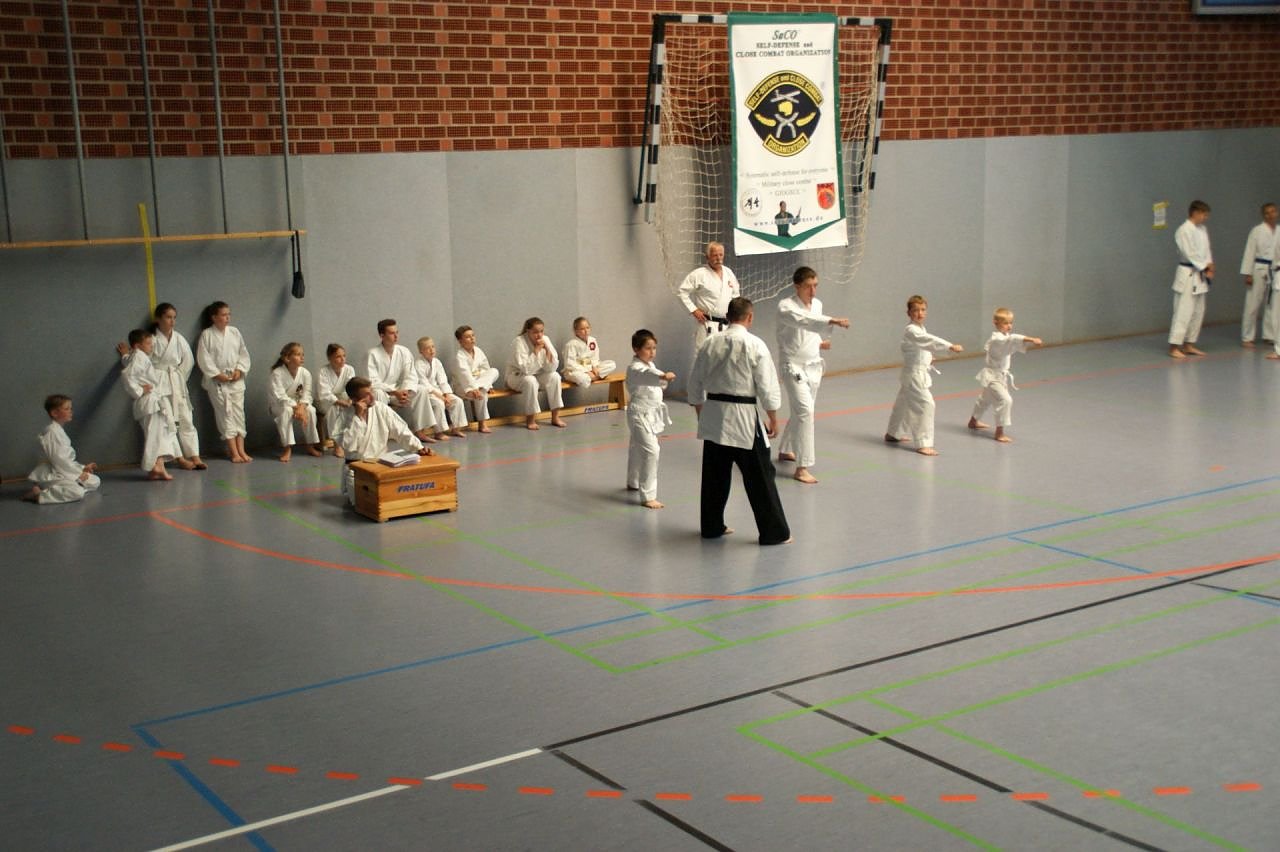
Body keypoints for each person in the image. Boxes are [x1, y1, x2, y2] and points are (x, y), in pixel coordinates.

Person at [687, 296, 791, 545]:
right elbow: (767, 385)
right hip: (743, 417)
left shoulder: (710, 342)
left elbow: (694, 382)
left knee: (714, 475)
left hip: (714, 415)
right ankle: (774, 533)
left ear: (728, 316)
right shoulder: (755, 344)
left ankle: (711, 526)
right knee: (761, 476)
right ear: (750, 317)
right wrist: (773, 416)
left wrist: (701, 413)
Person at [775, 266, 849, 484]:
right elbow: (802, 320)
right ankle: (802, 467)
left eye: (816, 286)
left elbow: (811, 330)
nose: (813, 291)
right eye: (808, 286)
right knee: (806, 411)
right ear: (797, 286)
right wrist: (831, 321)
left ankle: (786, 448)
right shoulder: (785, 307)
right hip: (793, 366)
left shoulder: (817, 305)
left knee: (801, 410)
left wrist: (819, 343)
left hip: (813, 365)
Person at [115, 302, 205, 470]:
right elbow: (139, 361)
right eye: (168, 317)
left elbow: (189, 361)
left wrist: (179, 378)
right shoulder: (150, 339)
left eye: (174, 318)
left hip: (176, 381)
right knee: (168, 422)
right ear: (158, 319)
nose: (172, 321)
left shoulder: (178, 338)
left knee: (186, 418)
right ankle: (179, 458)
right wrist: (126, 356)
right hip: (158, 383)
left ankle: (195, 455)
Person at [884, 295, 964, 456]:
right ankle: (923, 443)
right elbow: (928, 341)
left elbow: (921, 348)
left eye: (923, 310)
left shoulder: (920, 328)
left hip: (913, 373)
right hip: (914, 375)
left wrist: (928, 358)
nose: (920, 313)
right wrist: (949, 346)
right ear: (909, 313)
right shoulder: (911, 330)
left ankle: (893, 433)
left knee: (903, 405)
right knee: (926, 404)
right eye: (915, 310)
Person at [337, 377, 434, 504]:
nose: (372, 397)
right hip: (357, 470)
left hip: (382, 467)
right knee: (367, 504)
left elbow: (401, 431)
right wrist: (358, 417)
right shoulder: (345, 416)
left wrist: (419, 448)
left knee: (399, 498)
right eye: (366, 395)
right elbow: (349, 445)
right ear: (355, 400)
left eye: (371, 391)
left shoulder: (381, 408)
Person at [967, 308, 1042, 443]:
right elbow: (1012, 340)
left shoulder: (1005, 338)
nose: (1009, 326)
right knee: (1006, 400)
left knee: (985, 399)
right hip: (992, 376)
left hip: (1000, 376)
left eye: (1011, 323)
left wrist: (1028, 342)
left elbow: (1012, 343)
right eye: (1005, 323)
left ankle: (973, 421)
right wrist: (1030, 339)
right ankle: (999, 433)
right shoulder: (997, 339)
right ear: (996, 323)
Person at [120, 328, 185, 480]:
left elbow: (130, 364)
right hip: (149, 401)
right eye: (148, 343)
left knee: (160, 434)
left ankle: (158, 466)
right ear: (137, 346)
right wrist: (140, 390)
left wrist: (124, 355)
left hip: (153, 402)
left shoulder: (138, 356)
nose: (152, 346)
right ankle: (153, 466)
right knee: (154, 436)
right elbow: (127, 375)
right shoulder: (139, 357)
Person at [196, 300, 252, 463]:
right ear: (214, 317)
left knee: (239, 414)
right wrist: (216, 374)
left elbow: (243, 353)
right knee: (225, 415)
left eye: (229, 314)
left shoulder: (234, 332)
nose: (228, 318)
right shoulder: (206, 335)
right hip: (218, 382)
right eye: (223, 315)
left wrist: (239, 370)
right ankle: (233, 452)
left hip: (235, 380)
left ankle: (242, 450)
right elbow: (203, 358)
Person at [625, 329, 675, 509]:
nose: (652, 352)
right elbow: (647, 377)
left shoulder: (650, 366)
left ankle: (633, 481)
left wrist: (662, 377)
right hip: (639, 414)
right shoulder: (634, 368)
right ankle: (648, 496)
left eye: (654, 348)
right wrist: (662, 376)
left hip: (650, 414)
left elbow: (658, 380)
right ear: (636, 349)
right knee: (651, 451)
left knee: (636, 448)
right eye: (648, 348)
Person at [366, 318, 438, 442]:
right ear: (381, 335)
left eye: (397, 332)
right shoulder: (372, 354)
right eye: (391, 333)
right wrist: (394, 392)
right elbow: (372, 381)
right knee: (377, 393)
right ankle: (382, 434)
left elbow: (410, 375)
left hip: (400, 392)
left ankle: (420, 431)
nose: (396, 336)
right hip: (384, 392)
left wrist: (405, 391)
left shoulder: (403, 351)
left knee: (421, 390)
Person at [24, 395, 101, 504]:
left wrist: (83, 468)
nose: (71, 411)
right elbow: (60, 461)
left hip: (61, 470)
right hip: (51, 474)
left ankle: (66, 486)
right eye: (67, 409)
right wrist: (78, 475)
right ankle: (39, 495)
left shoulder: (58, 430)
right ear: (55, 413)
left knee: (95, 481)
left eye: (71, 408)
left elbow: (66, 460)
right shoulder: (52, 432)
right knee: (77, 492)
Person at [677, 241, 741, 363]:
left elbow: (736, 296)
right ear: (707, 257)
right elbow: (682, 292)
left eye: (721, 255)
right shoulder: (699, 274)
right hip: (707, 324)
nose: (718, 258)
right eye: (715, 255)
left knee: (726, 360)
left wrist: (736, 317)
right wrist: (694, 310)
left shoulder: (729, 273)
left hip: (726, 324)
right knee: (704, 360)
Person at [1168, 200, 1213, 359]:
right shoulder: (1183, 230)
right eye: (1204, 214)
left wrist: (1210, 264)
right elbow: (1189, 253)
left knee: (1198, 311)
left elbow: (1206, 250)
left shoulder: (1203, 229)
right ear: (1195, 212)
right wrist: (1205, 267)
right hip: (1187, 273)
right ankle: (1174, 346)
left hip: (1200, 275)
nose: (1205, 218)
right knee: (1183, 311)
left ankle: (1189, 344)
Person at [505, 316, 566, 430]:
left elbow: (552, 368)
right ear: (528, 331)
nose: (539, 335)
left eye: (541, 331)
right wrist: (536, 350)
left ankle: (555, 417)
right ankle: (530, 419)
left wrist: (547, 351)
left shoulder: (545, 339)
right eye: (535, 332)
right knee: (530, 380)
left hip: (537, 374)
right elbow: (526, 369)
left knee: (555, 376)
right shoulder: (519, 342)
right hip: (516, 376)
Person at [268, 342, 323, 462]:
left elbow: (307, 394)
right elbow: (280, 396)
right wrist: (296, 407)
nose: (302, 357)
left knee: (311, 410)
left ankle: (310, 445)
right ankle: (287, 448)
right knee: (287, 411)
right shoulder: (277, 373)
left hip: (299, 404)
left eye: (303, 354)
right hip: (279, 405)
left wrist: (302, 407)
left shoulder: (305, 373)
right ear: (287, 358)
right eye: (298, 355)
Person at [1239, 202, 1278, 350]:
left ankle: (1270, 335)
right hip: (1258, 268)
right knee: (1252, 304)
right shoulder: (1257, 231)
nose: (1271, 215)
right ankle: (1247, 337)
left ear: (1277, 213)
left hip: (1274, 269)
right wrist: (1247, 273)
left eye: (1273, 211)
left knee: (1272, 303)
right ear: (1263, 215)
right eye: (1267, 212)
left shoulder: (1279, 230)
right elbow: (1249, 251)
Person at [415, 336, 468, 439]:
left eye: (433, 347)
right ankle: (438, 432)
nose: (431, 350)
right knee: (439, 404)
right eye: (428, 348)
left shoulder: (437, 362)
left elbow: (443, 381)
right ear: (421, 351)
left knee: (457, 401)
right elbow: (425, 384)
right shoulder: (418, 364)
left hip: (440, 391)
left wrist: (447, 395)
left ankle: (456, 429)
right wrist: (441, 397)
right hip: (427, 394)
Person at [451, 325, 500, 433]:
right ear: (460, 341)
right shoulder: (459, 356)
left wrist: (489, 385)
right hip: (462, 387)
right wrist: (472, 388)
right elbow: (464, 375)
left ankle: (481, 388)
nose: (472, 338)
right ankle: (482, 424)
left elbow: (486, 368)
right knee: (481, 392)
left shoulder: (478, 351)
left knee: (494, 371)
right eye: (468, 337)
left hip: (478, 382)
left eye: (473, 335)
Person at [316, 343, 355, 458]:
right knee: (334, 409)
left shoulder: (349, 369)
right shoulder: (323, 371)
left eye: (344, 356)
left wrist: (350, 400)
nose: (342, 359)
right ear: (330, 358)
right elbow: (324, 393)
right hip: (325, 401)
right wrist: (339, 402)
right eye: (338, 356)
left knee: (357, 406)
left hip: (344, 398)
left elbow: (352, 387)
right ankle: (337, 445)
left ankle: (352, 440)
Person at [561, 317, 618, 387]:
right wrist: (586, 371)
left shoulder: (592, 340)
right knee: (581, 377)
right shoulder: (571, 344)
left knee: (611, 364)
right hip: (576, 370)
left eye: (587, 328)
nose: (586, 331)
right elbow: (569, 364)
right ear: (576, 331)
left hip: (590, 368)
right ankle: (597, 377)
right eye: (582, 329)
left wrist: (594, 367)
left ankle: (593, 377)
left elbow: (595, 357)